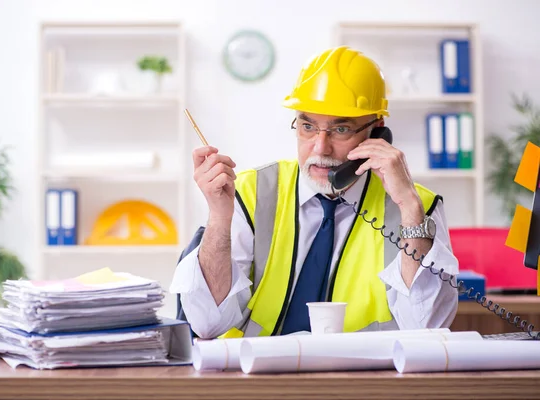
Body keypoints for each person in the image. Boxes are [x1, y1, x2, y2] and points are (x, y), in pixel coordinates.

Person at [170, 46, 459, 339]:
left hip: (367, 377)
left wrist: (408, 207)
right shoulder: (250, 192)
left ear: (377, 133)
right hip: (257, 374)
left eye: (341, 129)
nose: (320, 148)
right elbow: (208, 323)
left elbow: (427, 326)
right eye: (308, 126)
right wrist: (219, 217)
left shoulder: (416, 206)